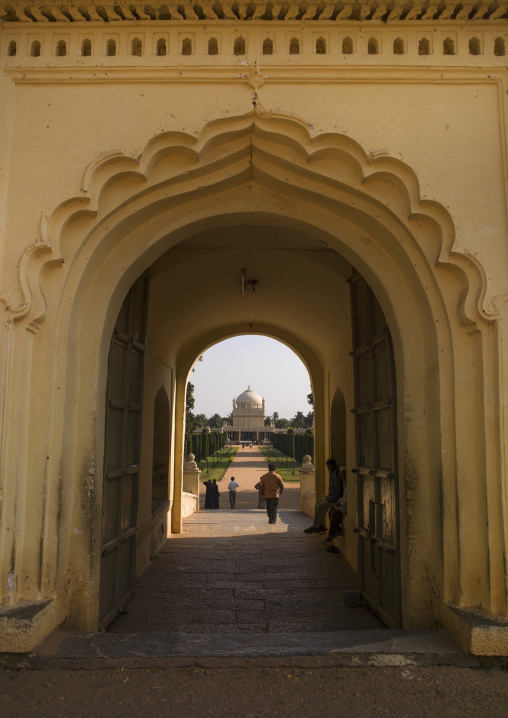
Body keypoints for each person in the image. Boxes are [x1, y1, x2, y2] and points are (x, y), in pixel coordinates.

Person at [304, 459, 344, 534]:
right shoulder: (332, 473)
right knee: (317, 504)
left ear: (334, 466)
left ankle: (314, 526)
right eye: (328, 467)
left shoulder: (337, 473)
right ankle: (322, 526)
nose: (330, 468)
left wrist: (334, 499)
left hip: (335, 498)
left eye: (331, 467)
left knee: (320, 507)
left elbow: (338, 490)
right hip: (330, 496)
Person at [325, 467, 347, 553]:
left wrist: (339, 504)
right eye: (341, 474)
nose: (343, 476)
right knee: (331, 510)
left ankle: (331, 534)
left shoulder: (349, 485)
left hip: (346, 507)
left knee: (335, 513)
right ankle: (337, 530)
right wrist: (337, 503)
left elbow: (348, 500)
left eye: (344, 473)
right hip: (343, 504)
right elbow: (343, 498)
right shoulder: (345, 484)